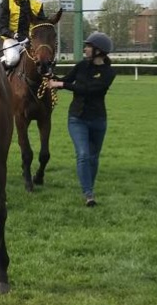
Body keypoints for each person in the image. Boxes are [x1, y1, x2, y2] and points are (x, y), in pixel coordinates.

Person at [48, 32, 116, 207]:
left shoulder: (109, 73)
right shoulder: (81, 66)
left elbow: (88, 89)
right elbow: (66, 80)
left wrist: (62, 85)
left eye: (88, 46)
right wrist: (50, 78)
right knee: (84, 155)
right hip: (77, 119)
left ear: (98, 51)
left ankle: (89, 188)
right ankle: (88, 194)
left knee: (93, 157)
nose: (85, 49)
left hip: (98, 120)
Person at [0, 0, 46, 69]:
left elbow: (42, 26)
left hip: (31, 42)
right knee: (13, 59)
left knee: (45, 59)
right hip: (12, 41)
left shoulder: (38, 5)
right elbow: (0, 26)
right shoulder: (7, 2)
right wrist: (14, 35)